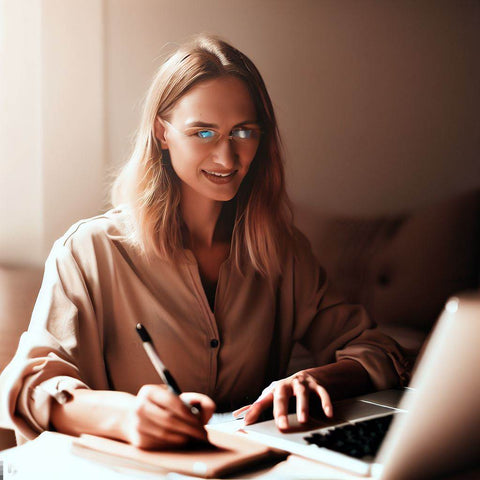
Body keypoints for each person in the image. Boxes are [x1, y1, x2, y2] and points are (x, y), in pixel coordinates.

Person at [0, 35, 409, 450]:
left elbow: (378, 350)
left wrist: (317, 378)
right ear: (162, 133)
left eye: (244, 132)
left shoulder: (282, 252)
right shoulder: (89, 251)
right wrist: (125, 416)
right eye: (204, 132)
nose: (228, 159)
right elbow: (29, 387)